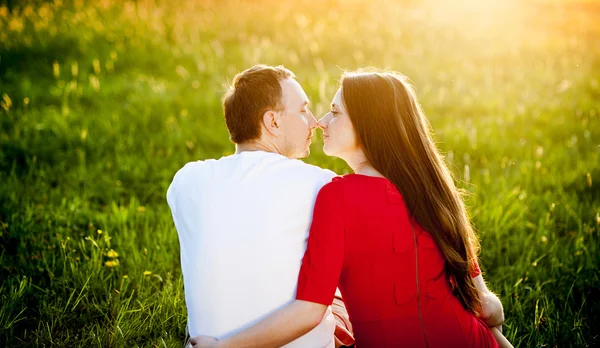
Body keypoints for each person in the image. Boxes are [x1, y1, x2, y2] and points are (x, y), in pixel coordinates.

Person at [190, 70, 513, 348]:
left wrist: (224, 345)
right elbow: (486, 307)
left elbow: (308, 309)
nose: (321, 122)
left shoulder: (337, 195)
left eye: (335, 112)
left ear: (367, 124)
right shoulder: (433, 191)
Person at [166, 64, 355, 348]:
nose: (314, 121)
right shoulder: (321, 185)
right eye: (303, 110)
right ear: (273, 122)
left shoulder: (185, 182)